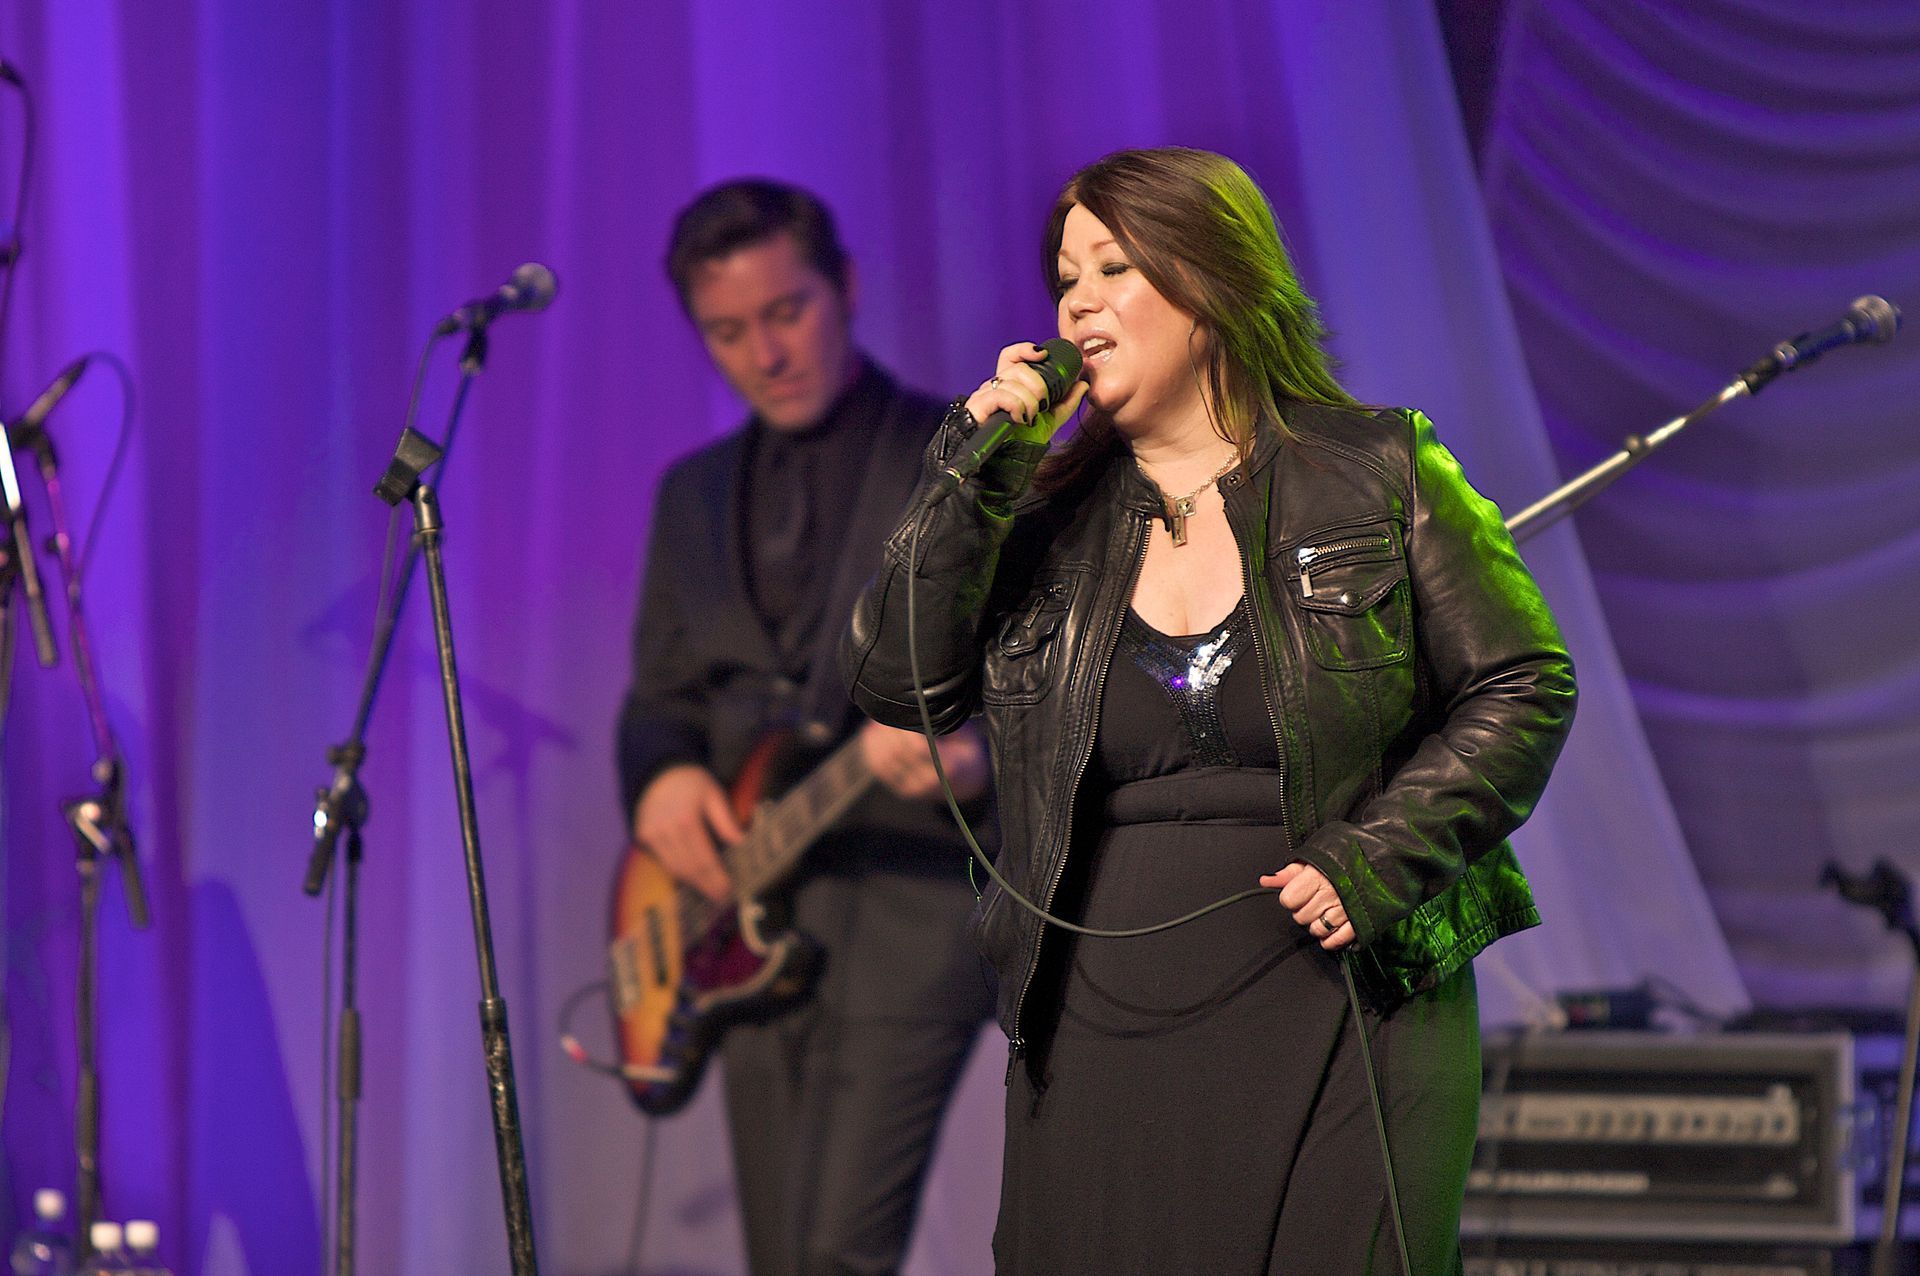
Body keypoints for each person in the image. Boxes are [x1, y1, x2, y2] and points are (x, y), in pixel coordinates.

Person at [841, 147, 1577, 1273]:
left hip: (1349, 989)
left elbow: (1522, 681)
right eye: (1065, 278)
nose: (1077, 303)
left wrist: (1382, 855)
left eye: (1114, 267)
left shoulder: (1377, 468)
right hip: (1105, 1008)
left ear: (1210, 279)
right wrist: (974, 472)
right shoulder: (1039, 521)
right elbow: (900, 679)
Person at [616, 178, 995, 1276]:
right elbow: (658, 700)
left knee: (836, 1255)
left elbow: (1049, 667)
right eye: (727, 331)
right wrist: (662, 777)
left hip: (916, 900)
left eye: (787, 311)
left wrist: (977, 756)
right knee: (782, 1258)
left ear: (848, 288)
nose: (765, 354)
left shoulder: (962, 451)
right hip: (746, 910)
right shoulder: (690, 494)